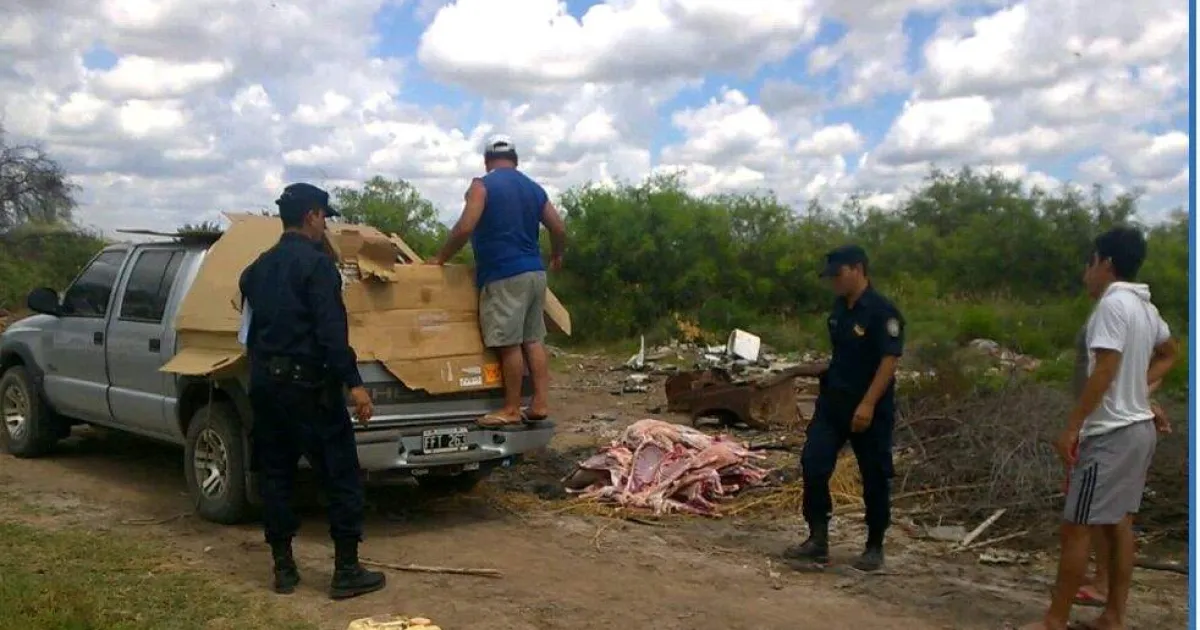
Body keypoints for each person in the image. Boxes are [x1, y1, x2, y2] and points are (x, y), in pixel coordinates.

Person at [1022, 226, 1177, 630]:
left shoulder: (1113, 304)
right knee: (1118, 523)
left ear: (1105, 263)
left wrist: (1073, 426)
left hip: (1110, 435)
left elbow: (1106, 367)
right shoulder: (1145, 307)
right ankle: (1114, 616)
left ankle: (1055, 621)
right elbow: (1169, 353)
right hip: (1137, 430)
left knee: (1077, 527)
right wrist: (1137, 391)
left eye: (1089, 263)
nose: (1085, 273)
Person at [239, 182, 386, 599]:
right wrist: (354, 385)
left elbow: (247, 330)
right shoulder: (318, 267)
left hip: (266, 386)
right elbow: (331, 335)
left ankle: (283, 569)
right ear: (311, 216)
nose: (326, 225)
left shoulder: (257, 269)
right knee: (340, 475)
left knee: (276, 475)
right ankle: (346, 571)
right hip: (309, 389)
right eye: (324, 217)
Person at [428, 134, 568, 427]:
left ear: (486, 160)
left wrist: (440, 258)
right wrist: (556, 254)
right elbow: (558, 227)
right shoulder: (533, 188)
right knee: (533, 339)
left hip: (503, 273)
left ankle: (511, 409)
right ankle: (540, 403)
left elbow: (465, 227)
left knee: (508, 343)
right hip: (535, 273)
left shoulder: (482, 185)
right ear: (515, 160)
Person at [785, 244, 904, 572]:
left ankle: (874, 545)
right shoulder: (839, 310)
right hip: (834, 404)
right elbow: (841, 358)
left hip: (869, 408)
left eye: (838, 274)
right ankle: (817, 538)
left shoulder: (882, 312)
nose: (834, 281)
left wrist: (867, 404)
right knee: (813, 463)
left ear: (858, 269)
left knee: (874, 475)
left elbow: (889, 361)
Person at [1071, 325, 1172, 610]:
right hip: (1106, 422)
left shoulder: (1123, 315)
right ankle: (1100, 581)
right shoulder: (1123, 315)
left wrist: (1137, 396)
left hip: (1114, 427)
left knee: (1106, 515)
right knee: (1104, 514)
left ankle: (1103, 584)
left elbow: (1159, 362)